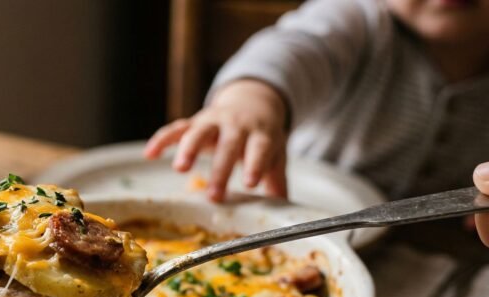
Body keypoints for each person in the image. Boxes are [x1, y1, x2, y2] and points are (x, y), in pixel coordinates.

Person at [144, 0, 489, 209]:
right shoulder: (356, 21)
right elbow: (293, 48)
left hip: (428, 255)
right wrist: (251, 99)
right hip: (293, 223)